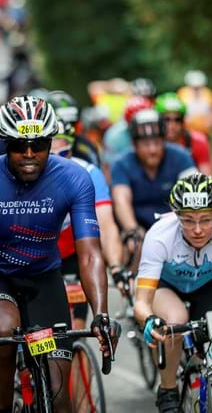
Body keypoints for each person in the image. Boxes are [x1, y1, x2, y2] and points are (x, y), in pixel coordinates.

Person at [0, 95, 117, 413]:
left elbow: (90, 254)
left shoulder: (74, 178)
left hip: (42, 277)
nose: (29, 154)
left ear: (51, 142)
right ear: (5, 144)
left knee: (59, 397)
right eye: (19, 145)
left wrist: (101, 313)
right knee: (5, 329)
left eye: (39, 144)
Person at [134, 174, 212, 413]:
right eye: (188, 220)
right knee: (175, 319)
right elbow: (141, 302)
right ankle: (168, 390)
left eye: (206, 219)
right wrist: (149, 319)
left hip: (206, 287)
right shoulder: (160, 235)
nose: (198, 229)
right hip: (166, 286)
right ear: (176, 216)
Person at [50, 123, 125, 310]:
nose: (59, 163)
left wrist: (115, 267)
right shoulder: (28, 172)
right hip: (37, 255)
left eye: (64, 154)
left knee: (75, 330)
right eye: (52, 157)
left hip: (74, 251)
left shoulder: (89, 172)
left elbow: (106, 225)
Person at [111, 109, 196, 264]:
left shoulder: (182, 157)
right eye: (145, 144)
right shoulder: (121, 164)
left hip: (175, 225)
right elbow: (121, 200)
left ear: (164, 140)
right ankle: (132, 285)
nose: (152, 150)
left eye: (157, 142)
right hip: (139, 226)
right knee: (134, 245)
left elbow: (194, 192)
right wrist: (133, 230)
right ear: (134, 145)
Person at [154, 92, 212, 175]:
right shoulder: (150, 144)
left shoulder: (198, 141)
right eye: (166, 120)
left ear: (183, 121)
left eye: (177, 119)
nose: (172, 125)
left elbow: (207, 178)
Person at [46, 90, 101, 167]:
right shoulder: (38, 145)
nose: (69, 129)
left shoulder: (85, 146)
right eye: (60, 124)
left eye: (72, 124)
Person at [177, 69, 212, 137]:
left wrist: (211, 121)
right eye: (193, 87)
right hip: (186, 132)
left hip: (204, 133)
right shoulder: (182, 93)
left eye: (198, 87)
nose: (196, 89)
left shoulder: (209, 95)